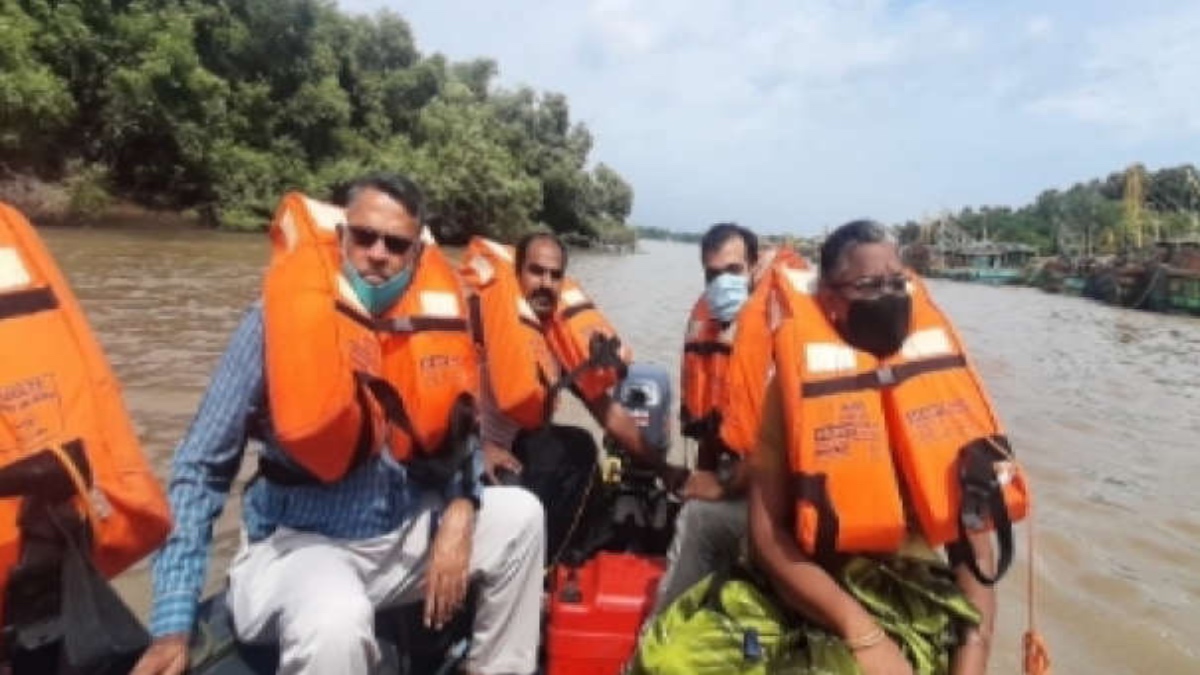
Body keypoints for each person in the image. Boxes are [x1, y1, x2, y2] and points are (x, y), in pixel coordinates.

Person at [131, 174, 544, 675]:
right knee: (337, 619)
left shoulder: (433, 324)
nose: (377, 254)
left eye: (395, 244)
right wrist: (171, 625)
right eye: (364, 236)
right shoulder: (274, 323)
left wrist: (461, 507)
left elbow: (461, 438)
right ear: (341, 237)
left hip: (402, 532)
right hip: (301, 548)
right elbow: (200, 467)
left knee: (521, 516)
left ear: (414, 255)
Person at [747, 220, 1026, 674]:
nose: (891, 295)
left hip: (917, 592)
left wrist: (975, 646)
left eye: (898, 282)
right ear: (831, 300)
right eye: (870, 285)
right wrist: (863, 634)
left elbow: (974, 546)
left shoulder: (939, 385)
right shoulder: (791, 392)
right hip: (819, 590)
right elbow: (765, 537)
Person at [475, 232, 687, 561]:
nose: (546, 283)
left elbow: (609, 413)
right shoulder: (483, 321)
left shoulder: (558, 339)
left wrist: (662, 467)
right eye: (536, 271)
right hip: (476, 453)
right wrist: (478, 447)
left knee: (579, 446)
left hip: (519, 448)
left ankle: (562, 563)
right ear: (517, 274)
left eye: (555, 275)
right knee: (569, 451)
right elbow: (442, 398)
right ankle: (535, 568)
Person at [651, 222, 759, 613]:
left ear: (755, 267)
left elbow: (778, 449)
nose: (722, 284)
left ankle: (658, 643)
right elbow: (711, 430)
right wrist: (701, 479)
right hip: (737, 477)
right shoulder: (708, 323)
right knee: (688, 507)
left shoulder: (779, 331)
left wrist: (723, 486)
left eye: (733, 271)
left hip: (777, 495)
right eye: (712, 274)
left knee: (697, 520)